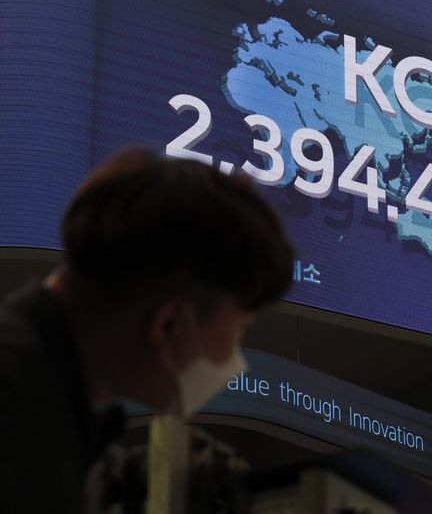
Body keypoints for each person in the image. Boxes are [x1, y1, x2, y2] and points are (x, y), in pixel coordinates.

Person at [0, 147, 295, 513]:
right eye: (239, 331)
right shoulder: (22, 417)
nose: (236, 359)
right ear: (170, 324)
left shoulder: (48, 410)